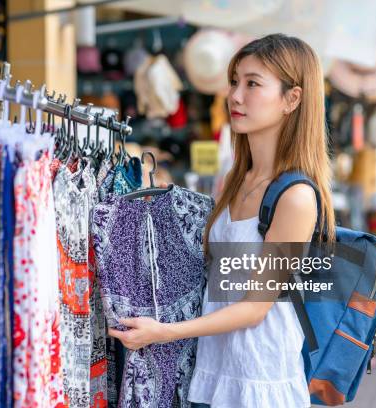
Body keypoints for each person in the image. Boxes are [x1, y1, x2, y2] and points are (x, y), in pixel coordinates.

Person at [109, 34, 336, 407]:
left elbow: (255, 307)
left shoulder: (296, 197)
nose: (235, 96)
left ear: (292, 99)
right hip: (215, 368)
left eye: (252, 84)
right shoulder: (236, 179)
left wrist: (164, 332)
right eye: (234, 81)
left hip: (258, 377)